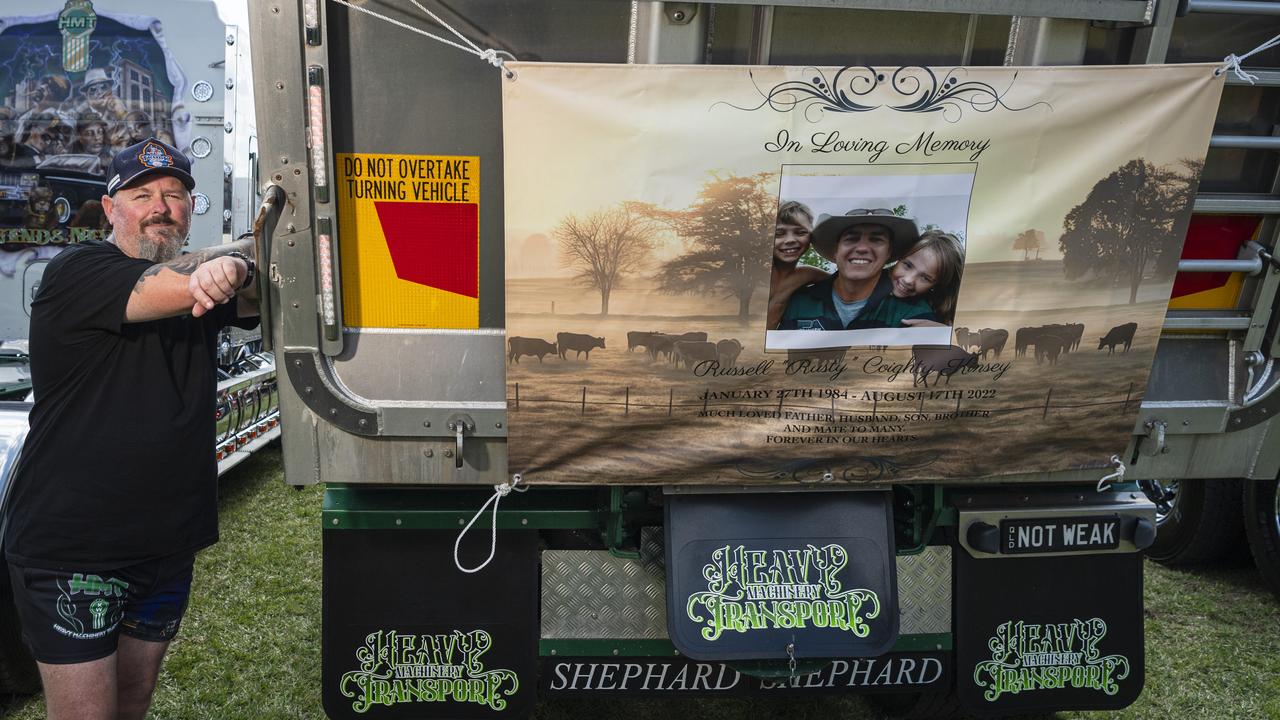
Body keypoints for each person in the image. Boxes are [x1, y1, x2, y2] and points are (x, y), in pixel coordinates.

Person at [3, 137, 259, 720]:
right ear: (111, 208)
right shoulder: (81, 271)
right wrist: (236, 264)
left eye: (175, 194)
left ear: (192, 209)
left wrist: (245, 263)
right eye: (142, 195)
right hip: (75, 546)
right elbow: (174, 288)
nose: (161, 206)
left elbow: (266, 289)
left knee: (133, 702)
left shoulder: (202, 279)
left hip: (164, 542)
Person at [777, 208, 933, 330]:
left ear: (889, 252)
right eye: (851, 238)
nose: (862, 248)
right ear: (835, 250)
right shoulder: (800, 302)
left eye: (876, 240)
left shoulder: (912, 311)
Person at [767, 200, 829, 329]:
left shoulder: (808, 274)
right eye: (778, 234)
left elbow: (843, 280)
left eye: (800, 233)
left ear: (811, 237)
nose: (790, 240)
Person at [888, 229, 966, 326]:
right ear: (899, 258)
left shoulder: (922, 316)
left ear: (936, 286)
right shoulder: (869, 280)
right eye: (908, 265)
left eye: (925, 278)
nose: (908, 280)